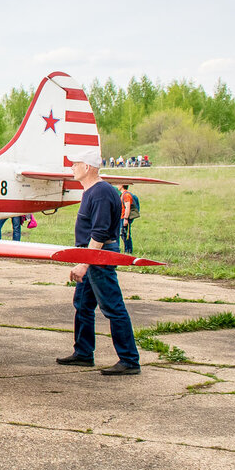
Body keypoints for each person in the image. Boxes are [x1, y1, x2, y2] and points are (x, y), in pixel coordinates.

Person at [55, 148, 140, 376]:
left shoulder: (101, 192)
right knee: (83, 305)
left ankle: (130, 360)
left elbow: (100, 233)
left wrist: (85, 262)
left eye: (76, 164)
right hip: (91, 255)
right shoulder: (93, 191)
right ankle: (83, 353)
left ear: (87, 167)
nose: (72, 167)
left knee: (112, 306)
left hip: (98, 256)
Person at [119, 184, 139, 255]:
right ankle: (127, 250)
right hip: (122, 217)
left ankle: (128, 251)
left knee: (125, 234)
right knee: (123, 234)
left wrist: (126, 218)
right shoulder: (123, 194)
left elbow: (127, 207)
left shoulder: (126, 195)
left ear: (122, 185)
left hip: (124, 217)